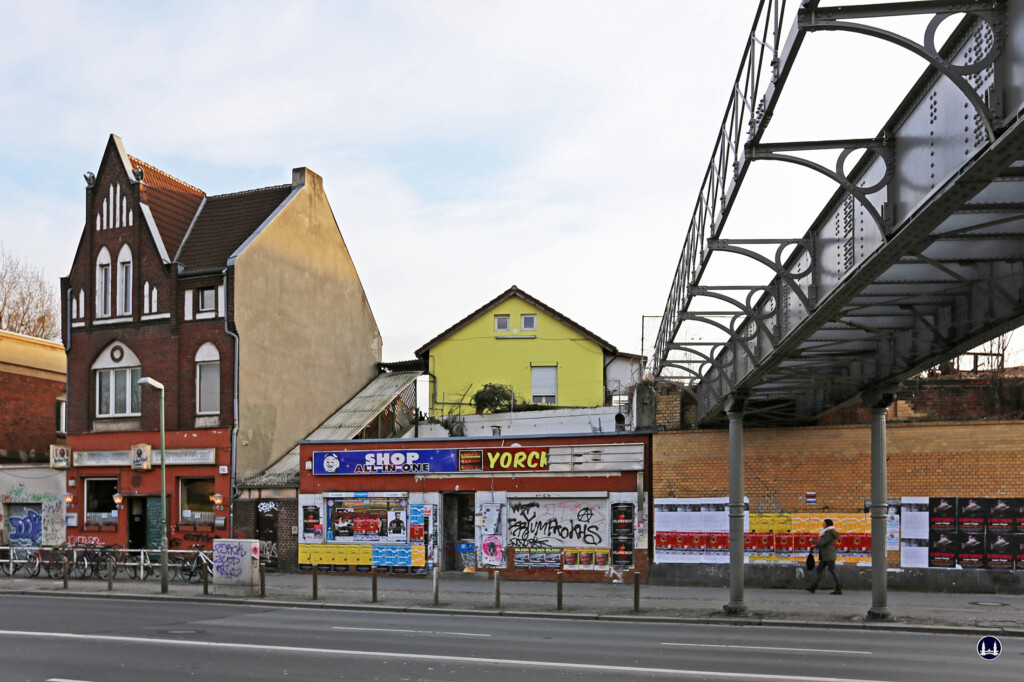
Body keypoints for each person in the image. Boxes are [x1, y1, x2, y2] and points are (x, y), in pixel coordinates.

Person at [806, 518, 842, 594]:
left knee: (832, 571)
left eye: (824, 523)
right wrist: (814, 546)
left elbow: (822, 543)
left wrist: (812, 540)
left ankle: (838, 588)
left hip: (828, 556)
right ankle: (813, 587)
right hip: (825, 556)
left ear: (827, 524)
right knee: (820, 570)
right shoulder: (828, 532)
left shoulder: (828, 533)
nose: (823, 524)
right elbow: (824, 544)